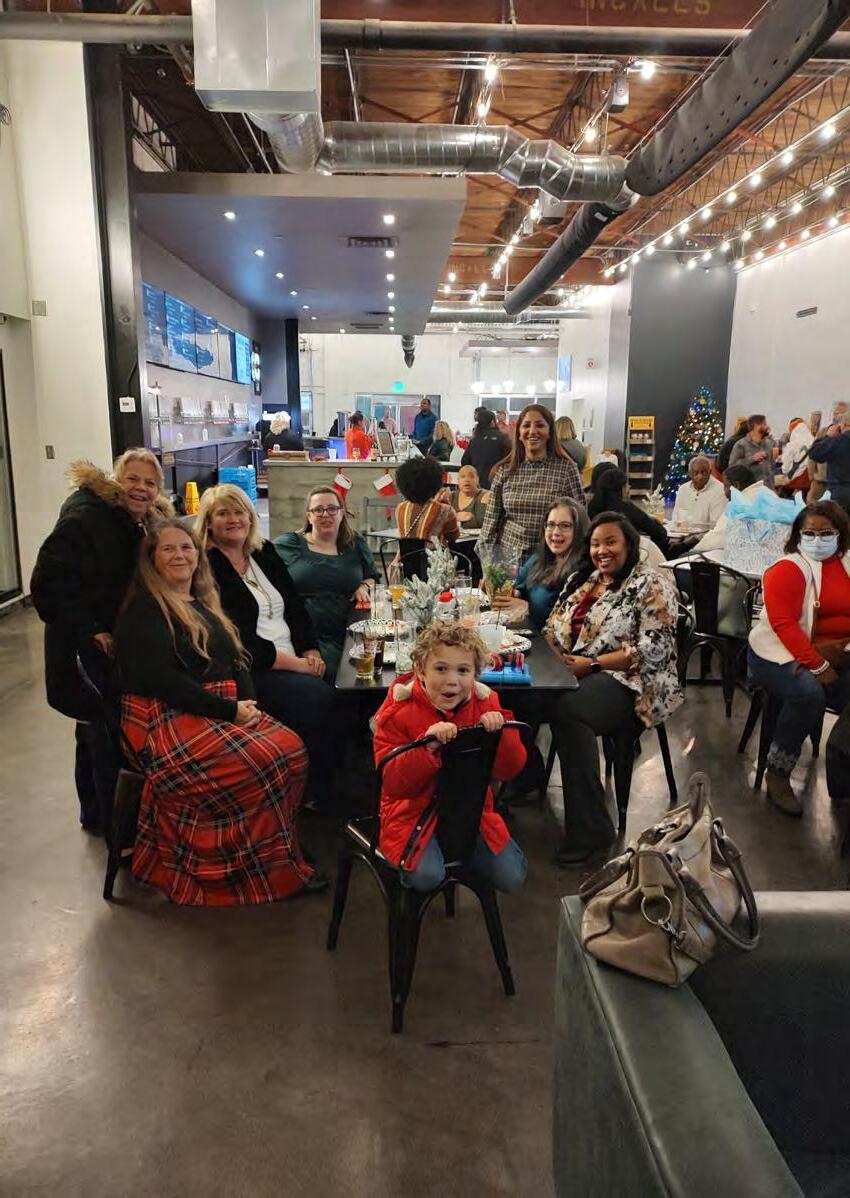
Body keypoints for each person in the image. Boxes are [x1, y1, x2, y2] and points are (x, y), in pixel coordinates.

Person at [116, 520, 323, 904]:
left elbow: (237, 659)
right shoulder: (146, 610)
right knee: (266, 760)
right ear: (151, 559)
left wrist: (247, 704)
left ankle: (273, 850)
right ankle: (246, 866)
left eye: (187, 548)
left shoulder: (201, 602)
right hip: (168, 718)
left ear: (198, 557)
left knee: (292, 749)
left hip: (212, 708)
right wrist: (229, 711)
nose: (180, 556)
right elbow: (164, 682)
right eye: (168, 549)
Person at [30, 451, 173, 837]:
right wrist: (90, 629)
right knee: (106, 734)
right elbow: (47, 583)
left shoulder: (135, 521)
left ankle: (94, 814)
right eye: (132, 479)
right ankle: (119, 833)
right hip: (86, 649)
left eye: (150, 483)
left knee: (92, 728)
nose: (141, 489)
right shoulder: (86, 518)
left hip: (114, 642)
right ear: (114, 480)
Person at [546, 513, 682, 864]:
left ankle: (591, 830)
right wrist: (554, 654)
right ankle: (525, 782)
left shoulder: (651, 584)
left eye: (610, 542)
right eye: (595, 544)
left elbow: (655, 648)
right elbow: (553, 624)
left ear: (629, 545)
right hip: (576, 671)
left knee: (570, 711)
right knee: (524, 697)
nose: (601, 551)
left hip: (634, 681)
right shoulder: (584, 580)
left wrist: (592, 664)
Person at [196, 484, 335, 810]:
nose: (234, 519)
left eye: (239, 512)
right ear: (209, 523)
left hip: (294, 654)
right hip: (253, 668)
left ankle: (333, 776)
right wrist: (298, 665)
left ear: (250, 517)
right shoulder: (207, 566)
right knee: (319, 698)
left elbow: (294, 605)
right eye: (223, 513)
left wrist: (310, 649)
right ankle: (310, 791)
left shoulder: (263, 551)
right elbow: (236, 638)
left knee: (347, 682)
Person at [373, 623, 527, 893]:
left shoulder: (486, 702)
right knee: (426, 877)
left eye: (463, 670)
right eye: (441, 669)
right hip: (412, 813)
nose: (452, 680)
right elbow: (394, 784)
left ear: (476, 674)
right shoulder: (398, 712)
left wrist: (500, 735)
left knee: (511, 877)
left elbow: (508, 771)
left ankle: (459, 860)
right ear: (421, 670)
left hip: (471, 811)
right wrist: (427, 748)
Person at [748, 501, 850, 816]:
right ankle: (778, 772)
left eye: (826, 533)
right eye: (809, 533)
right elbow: (783, 625)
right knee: (809, 694)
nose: (818, 540)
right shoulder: (789, 568)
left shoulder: (847, 564)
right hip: (777, 652)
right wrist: (818, 664)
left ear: (840, 534)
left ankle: (842, 775)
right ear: (798, 535)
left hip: (837, 651)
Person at [274, 486, 379, 679]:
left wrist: (364, 585)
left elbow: (373, 576)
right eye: (318, 510)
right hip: (307, 634)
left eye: (332, 509)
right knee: (339, 676)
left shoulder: (355, 543)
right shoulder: (289, 544)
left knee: (373, 670)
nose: (325, 515)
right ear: (309, 516)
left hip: (351, 630)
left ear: (342, 513)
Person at [478, 404, 585, 563]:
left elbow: (581, 523)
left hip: (551, 563)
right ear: (519, 433)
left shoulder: (567, 470)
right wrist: (488, 566)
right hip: (508, 564)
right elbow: (490, 523)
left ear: (550, 432)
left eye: (540, 425)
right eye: (526, 425)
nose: (532, 431)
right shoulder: (505, 471)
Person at [493, 497, 589, 631]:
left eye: (565, 526)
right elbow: (519, 586)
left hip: (548, 641)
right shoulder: (539, 557)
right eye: (551, 525)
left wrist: (528, 608)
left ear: (579, 530)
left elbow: (569, 621)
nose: (555, 532)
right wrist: (505, 590)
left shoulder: (583, 571)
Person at [588, 468, 669, 556]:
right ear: (620, 489)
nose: (629, 487)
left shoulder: (592, 507)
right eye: (626, 485)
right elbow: (659, 532)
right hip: (628, 556)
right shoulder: (626, 509)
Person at [693, 464, 760, 553]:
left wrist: (692, 551)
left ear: (736, 486)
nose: (724, 492)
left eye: (725, 486)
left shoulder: (739, 504)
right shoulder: (767, 494)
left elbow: (717, 538)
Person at [395, 456, 459, 546]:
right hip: (433, 554)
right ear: (436, 482)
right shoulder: (445, 510)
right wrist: (445, 504)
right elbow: (453, 536)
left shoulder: (400, 508)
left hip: (406, 554)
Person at [807, 407, 850, 511]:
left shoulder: (838, 441)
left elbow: (814, 453)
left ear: (844, 425)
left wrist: (828, 436)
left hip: (839, 492)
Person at [670, 454, 728, 528]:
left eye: (704, 472)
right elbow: (676, 518)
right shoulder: (683, 489)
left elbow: (716, 525)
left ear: (710, 472)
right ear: (690, 473)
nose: (700, 477)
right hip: (682, 532)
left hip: (708, 534)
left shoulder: (720, 490)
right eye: (696, 473)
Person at [461, 408, 508, 484]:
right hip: (498, 482)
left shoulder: (474, 440)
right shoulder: (503, 438)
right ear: (492, 422)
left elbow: (464, 461)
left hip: (478, 483)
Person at [728, 414, 777, 489]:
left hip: (768, 488)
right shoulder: (741, 445)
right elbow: (732, 467)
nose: (767, 427)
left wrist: (773, 488)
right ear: (756, 426)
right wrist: (752, 459)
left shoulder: (768, 444)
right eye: (764, 424)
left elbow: (772, 468)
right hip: (750, 490)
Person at [446, 464, 490, 529]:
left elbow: (481, 522)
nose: (467, 480)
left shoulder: (485, 495)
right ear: (458, 481)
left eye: (471, 476)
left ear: (477, 480)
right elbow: (441, 519)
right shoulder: (451, 496)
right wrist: (456, 516)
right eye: (463, 476)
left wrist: (452, 519)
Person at [781, 417, 814, 489]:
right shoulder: (814, 441)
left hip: (797, 481)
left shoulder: (792, 444)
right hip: (811, 479)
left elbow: (786, 468)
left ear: (792, 429)